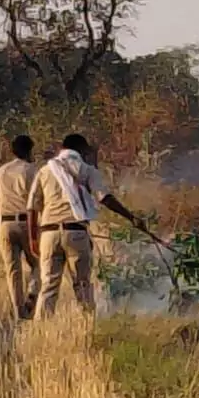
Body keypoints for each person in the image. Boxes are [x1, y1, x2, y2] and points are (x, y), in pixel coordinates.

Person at [27, 133, 147, 317]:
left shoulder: (45, 170)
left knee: (48, 286)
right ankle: (87, 323)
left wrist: (33, 237)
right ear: (81, 150)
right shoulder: (86, 169)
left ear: (62, 149)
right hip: (76, 232)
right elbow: (104, 198)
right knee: (82, 284)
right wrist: (131, 218)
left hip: (48, 234)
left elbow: (31, 208)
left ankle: (40, 329)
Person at [0, 134, 41, 319]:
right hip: (27, 222)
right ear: (29, 151)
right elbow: (37, 200)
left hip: (5, 223)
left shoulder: (0, 172)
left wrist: (5, 215)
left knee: (13, 271)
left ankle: (19, 313)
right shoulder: (32, 171)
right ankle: (32, 295)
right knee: (38, 263)